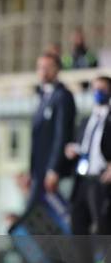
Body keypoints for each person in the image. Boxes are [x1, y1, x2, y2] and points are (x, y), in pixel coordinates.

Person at [63, 76, 111, 263]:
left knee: (103, 229)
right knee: (77, 226)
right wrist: (74, 149)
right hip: (83, 180)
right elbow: (85, 146)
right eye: (95, 89)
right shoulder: (87, 119)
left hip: (102, 180)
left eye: (102, 89)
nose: (97, 93)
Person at [24, 53, 76, 204]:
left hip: (51, 172)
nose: (43, 71)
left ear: (57, 70)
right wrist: (31, 170)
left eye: (47, 68)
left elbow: (62, 135)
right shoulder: (42, 95)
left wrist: (54, 169)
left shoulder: (63, 96)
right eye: (40, 67)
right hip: (38, 170)